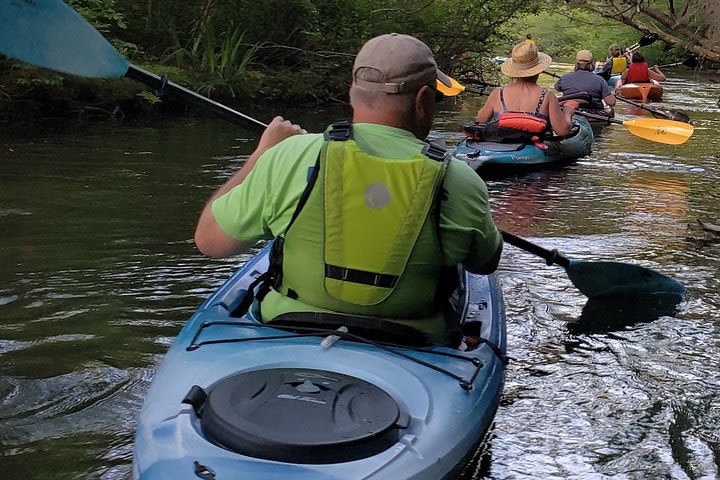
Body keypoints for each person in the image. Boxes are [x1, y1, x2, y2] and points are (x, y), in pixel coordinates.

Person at [194, 33, 503, 345]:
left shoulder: (290, 155)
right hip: (413, 343)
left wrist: (260, 156)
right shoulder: (461, 180)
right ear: (423, 99)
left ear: (352, 93)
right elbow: (484, 262)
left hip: (287, 328)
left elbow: (209, 242)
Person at [476, 42, 576, 137]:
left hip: (501, 143)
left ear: (514, 71)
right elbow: (562, 131)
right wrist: (567, 113)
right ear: (539, 70)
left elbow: (481, 120)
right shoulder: (547, 96)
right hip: (532, 144)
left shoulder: (498, 93)